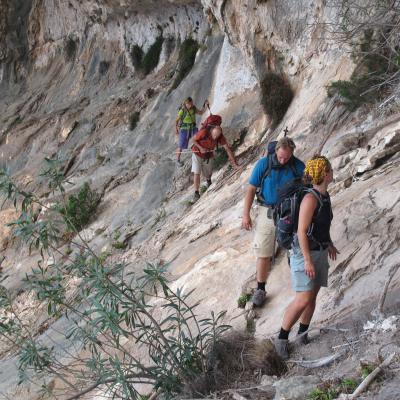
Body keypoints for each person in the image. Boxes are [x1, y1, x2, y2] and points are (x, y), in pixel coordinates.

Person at [274, 155, 339, 359]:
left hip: (318, 250)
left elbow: (321, 225)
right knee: (303, 298)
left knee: (312, 297)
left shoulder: (325, 195)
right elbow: (301, 231)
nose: (332, 172)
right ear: (325, 173)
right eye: (330, 169)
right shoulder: (310, 198)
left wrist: (328, 243)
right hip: (305, 255)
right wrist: (308, 260)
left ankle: (302, 334)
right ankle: (282, 339)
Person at [242, 137, 305, 307]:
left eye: (286, 157)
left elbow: (307, 187)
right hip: (267, 210)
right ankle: (260, 289)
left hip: (289, 210)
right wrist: (245, 215)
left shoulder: (297, 166)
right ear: (276, 151)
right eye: (280, 157)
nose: (283, 160)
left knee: (295, 245)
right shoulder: (264, 164)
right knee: (263, 249)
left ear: (292, 154)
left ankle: (299, 282)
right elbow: (251, 189)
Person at [191, 126, 240, 202]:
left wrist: (235, 164)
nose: (215, 137)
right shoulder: (204, 132)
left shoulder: (220, 137)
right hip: (197, 153)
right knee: (196, 172)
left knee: (208, 173)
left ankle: (208, 181)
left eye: (217, 136)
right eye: (214, 135)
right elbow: (193, 140)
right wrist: (200, 148)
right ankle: (196, 193)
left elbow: (227, 149)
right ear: (211, 131)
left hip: (208, 155)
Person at [175, 97, 209, 166]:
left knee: (199, 139)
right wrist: (176, 130)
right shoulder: (182, 110)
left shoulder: (193, 108)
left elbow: (201, 112)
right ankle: (177, 160)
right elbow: (176, 120)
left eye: (192, 103)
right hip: (184, 129)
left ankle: (202, 154)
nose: (191, 105)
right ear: (186, 104)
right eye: (190, 104)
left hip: (193, 127)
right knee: (181, 145)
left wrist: (205, 106)